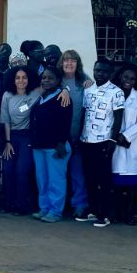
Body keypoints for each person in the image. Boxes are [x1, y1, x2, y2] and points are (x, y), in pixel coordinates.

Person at [77, 57, 125, 228]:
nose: (100, 73)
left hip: (104, 141)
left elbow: (118, 118)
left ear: (110, 73)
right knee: (89, 177)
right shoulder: (88, 91)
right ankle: (92, 209)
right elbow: (84, 114)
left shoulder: (116, 92)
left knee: (103, 179)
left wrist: (113, 139)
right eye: (97, 70)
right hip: (86, 140)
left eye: (104, 71)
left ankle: (104, 215)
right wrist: (79, 136)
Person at [29, 67, 73, 223]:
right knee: (42, 179)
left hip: (56, 146)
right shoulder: (41, 96)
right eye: (44, 78)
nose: (46, 81)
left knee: (56, 180)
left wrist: (61, 143)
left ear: (58, 81)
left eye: (50, 78)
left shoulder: (62, 97)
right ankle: (44, 208)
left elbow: (65, 121)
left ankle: (56, 211)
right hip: (39, 145)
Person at [111, 63, 137, 226]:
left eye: (132, 79)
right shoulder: (111, 94)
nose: (128, 81)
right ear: (120, 76)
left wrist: (125, 136)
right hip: (114, 143)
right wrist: (115, 137)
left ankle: (128, 215)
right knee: (116, 183)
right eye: (126, 77)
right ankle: (115, 214)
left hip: (132, 144)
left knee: (131, 185)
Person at [0, 66, 40, 215]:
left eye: (24, 77)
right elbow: (6, 120)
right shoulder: (7, 95)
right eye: (17, 77)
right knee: (8, 170)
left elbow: (55, 87)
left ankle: (21, 205)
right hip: (12, 137)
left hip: (27, 136)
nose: (21, 80)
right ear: (13, 79)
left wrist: (66, 90)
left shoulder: (37, 93)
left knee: (22, 170)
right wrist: (8, 142)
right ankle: (9, 203)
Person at [58, 49, 92, 220]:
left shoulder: (84, 81)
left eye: (73, 61)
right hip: (59, 136)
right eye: (66, 60)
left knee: (77, 172)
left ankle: (80, 204)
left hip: (79, 134)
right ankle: (60, 204)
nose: (69, 64)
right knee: (59, 173)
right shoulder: (57, 80)